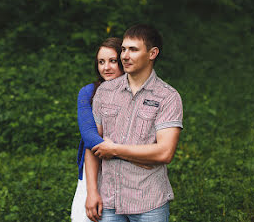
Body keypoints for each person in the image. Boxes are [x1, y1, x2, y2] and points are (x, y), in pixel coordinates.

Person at [89, 24, 183, 222]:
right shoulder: (105, 92)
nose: (125, 56)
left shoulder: (167, 97)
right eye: (123, 49)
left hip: (149, 202)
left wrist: (114, 150)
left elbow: (165, 152)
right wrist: (91, 192)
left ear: (152, 53)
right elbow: (93, 147)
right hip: (109, 201)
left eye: (133, 49)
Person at [71, 37, 124, 222]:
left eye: (112, 61)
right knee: (84, 217)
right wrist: (117, 150)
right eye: (101, 62)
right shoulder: (88, 92)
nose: (106, 67)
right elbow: (89, 134)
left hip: (127, 171)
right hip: (95, 163)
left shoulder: (135, 93)